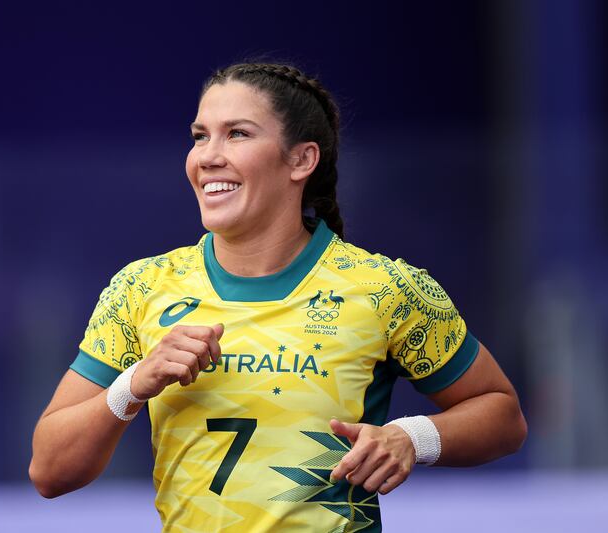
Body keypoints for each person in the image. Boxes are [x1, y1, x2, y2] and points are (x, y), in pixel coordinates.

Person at [29, 62, 528, 532]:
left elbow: (502, 416)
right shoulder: (142, 287)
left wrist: (411, 438)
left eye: (237, 134)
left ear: (301, 159)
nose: (207, 156)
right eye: (200, 136)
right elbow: (50, 471)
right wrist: (134, 384)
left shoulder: (384, 288)